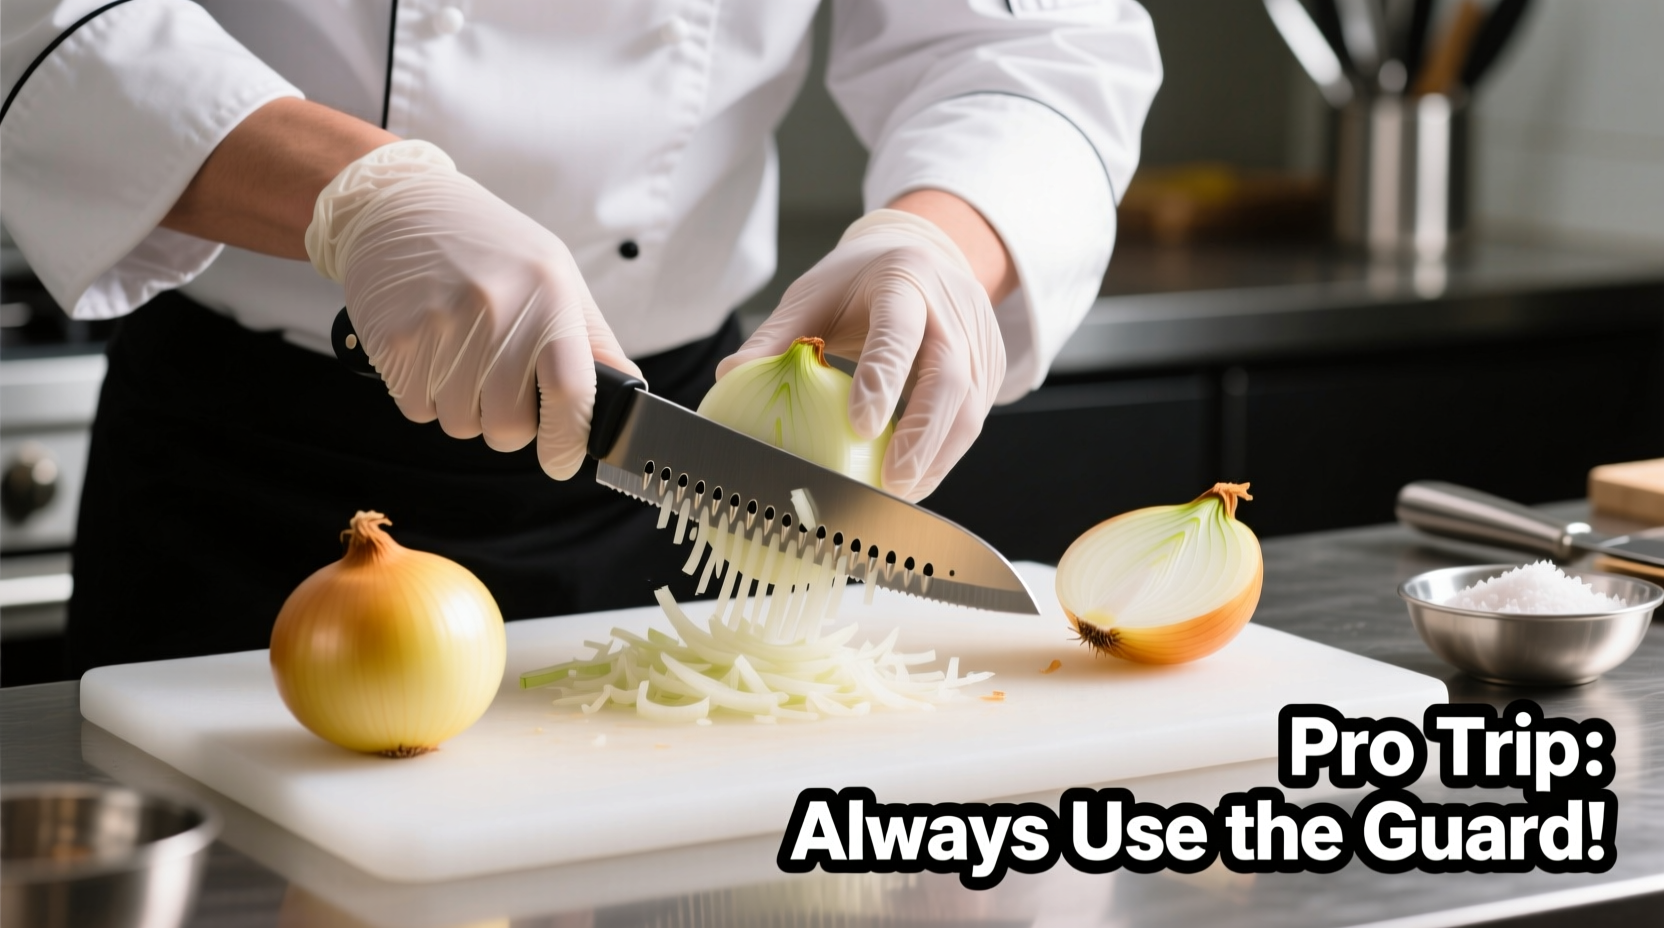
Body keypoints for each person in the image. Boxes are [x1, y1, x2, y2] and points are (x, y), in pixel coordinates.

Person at [0, 1, 1161, 674]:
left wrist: (945, 236)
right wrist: (354, 195)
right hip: (245, 487)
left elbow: (1034, 37)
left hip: (670, 497)